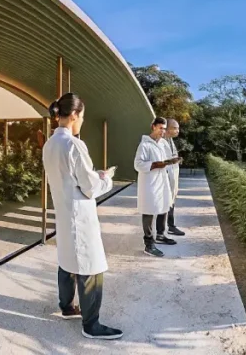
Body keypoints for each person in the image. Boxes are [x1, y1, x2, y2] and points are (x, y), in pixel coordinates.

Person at [42, 93, 123, 340]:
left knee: (67, 259)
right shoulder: (74, 145)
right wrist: (105, 178)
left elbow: (71, 178)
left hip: (64, 212)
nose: (82, 121)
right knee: (91, 265)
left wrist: (91, 175)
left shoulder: (50, 144)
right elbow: (89, 187)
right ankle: (91, 324)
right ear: (75, 115)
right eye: (83, 117)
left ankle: (66, 307)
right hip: (80, 214)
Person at [134, 117, 180, 257]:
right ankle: (149, 244)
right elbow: (137, 165)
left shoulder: (162, 143)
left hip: (162, 180)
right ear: (153, 126)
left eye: (164, 129)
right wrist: (154, 165)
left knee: (165, 206)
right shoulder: (144, 145)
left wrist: (172, 161)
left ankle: (161, 234)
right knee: (148, 211)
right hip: (149, 182)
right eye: (160, 128)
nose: (163, 131)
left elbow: (166, 159)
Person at [162, 118, 186, 237]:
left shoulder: (170, 140)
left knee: (172, 200)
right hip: (166, 175)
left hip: (173, 174)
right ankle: (163, 230)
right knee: (165, 201)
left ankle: (170, 226)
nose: (178, 130)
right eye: (175, 128)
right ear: (167, 128)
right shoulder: (160, 141)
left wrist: (176, 160)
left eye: (178, 128)